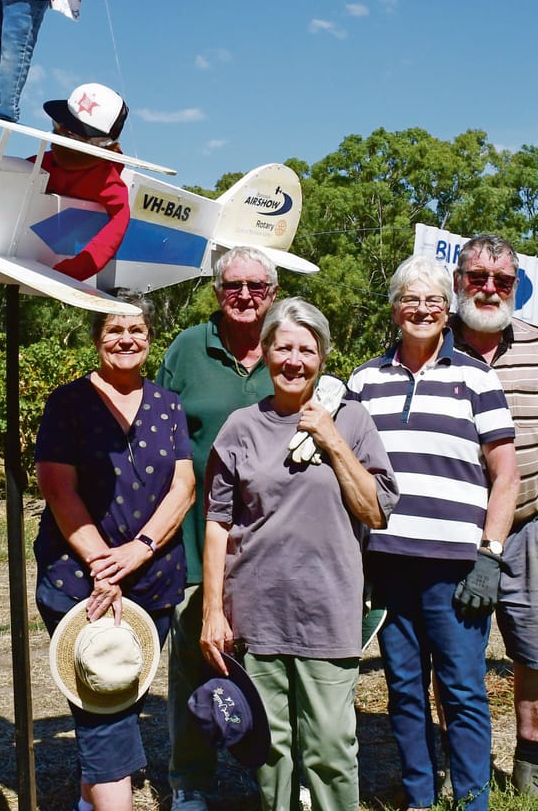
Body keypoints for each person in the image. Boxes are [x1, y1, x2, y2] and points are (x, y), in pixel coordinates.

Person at [201, 298, 398, 811]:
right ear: (265, 352)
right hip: (256, 613)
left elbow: (375, 511)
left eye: (306, 350)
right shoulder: (240, 428)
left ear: (322, 358)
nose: (294, 360)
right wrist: (212, 610)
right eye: (283, 347)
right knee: (271, 751)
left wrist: (332, 441)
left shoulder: (351, 421)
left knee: (331, 746)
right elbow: (218, 523)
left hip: (328, 610)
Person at [350, 256, 517, 811]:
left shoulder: (475, 376)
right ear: (395, 309)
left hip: (456, 566)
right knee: (403, 689)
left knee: (463, 689)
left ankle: (472, 800)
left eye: (434, 301)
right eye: (411, 300)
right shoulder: (364, 381)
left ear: (448, 311)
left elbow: (506, 474)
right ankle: (419, 795)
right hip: (388, 563)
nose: (422, 310)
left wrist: (489, 553)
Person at [33, 305, 195, 810]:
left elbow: (184, 486)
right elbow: (57, 487)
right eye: (114, 330)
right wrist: (105, 565)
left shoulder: (168, 405)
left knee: (119, 702)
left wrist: (139, 550)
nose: (126, 339)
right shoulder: (69, 403)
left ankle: (89, 800)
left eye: (137, 330)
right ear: (97, 339)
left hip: (154, 581)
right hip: (80, 582)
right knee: (104, 713)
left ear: (151, 336)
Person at [448, 233, 538, 797]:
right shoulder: (430, 345)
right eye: (477, 277)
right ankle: (462, 762)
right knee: (456, 658)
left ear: (515, 287)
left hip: (532, 527)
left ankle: (530, 767)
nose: (488, 289)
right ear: (458, 280)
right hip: (456, 533)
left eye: (501, 281)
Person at [157, 246, 280, 811]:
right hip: (192, 538)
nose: (246, 296)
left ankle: (275, 776)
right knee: (192, 663)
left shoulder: (288, 342)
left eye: (258, 285)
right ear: (217, 291)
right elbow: (156, 434)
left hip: (272, 545)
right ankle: (190, 780)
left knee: (272, 665)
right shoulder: (187, 348)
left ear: (273, 292)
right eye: (234, 285)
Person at [39, 82, 132, 281]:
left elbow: (121, 216)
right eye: (61, 126)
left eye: (75, 133)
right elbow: (19, 172)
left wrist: (75, 270)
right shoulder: (43, 163)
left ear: (101, 142)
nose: (62, 131)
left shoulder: (106, 179)